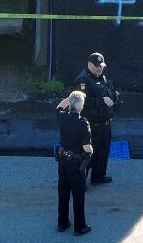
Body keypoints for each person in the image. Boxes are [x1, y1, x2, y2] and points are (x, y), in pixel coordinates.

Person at [73, 52, 119, 185]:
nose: (99, 68)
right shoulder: (83, 80)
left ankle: (98, 176)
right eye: (96, 66)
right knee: (87, 154)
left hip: (104, 122)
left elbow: (109, 92)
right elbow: (79, 101)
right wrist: (101, 100)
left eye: (101, 66)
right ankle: (80, 181)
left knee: (102, 152)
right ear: (89, 64)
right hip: (90, 124)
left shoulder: (102, 78)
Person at [56, 91, 93, 236]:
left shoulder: (62, 117)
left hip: (62, 161)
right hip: (76, 163)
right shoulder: (83, 123)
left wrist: (70, 99)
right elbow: (86, 147)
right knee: (78, 194)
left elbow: (59, 107)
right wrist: (91, 151)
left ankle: (62, 223)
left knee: (63, 192)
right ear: (82, 106)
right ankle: (80, 226)